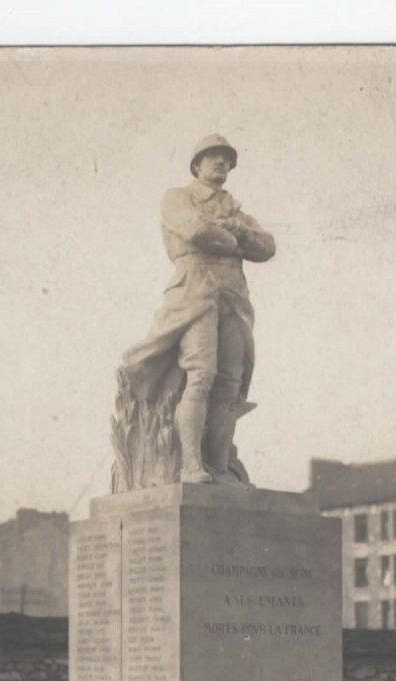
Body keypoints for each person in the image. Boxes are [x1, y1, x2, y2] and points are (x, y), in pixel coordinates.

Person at [112, 134, 276, 488]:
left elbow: (267, 247)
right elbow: (198, 231)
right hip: (194, 291)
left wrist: (234, 229)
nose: (219, 163)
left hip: (233, 296)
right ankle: (190, 466)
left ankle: (218, 467)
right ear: (197, 166)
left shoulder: (236, 209)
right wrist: (235, 236)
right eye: (212, 157)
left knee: (230, 383)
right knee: (200, 374)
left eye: (225, 159)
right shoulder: (179, 197)